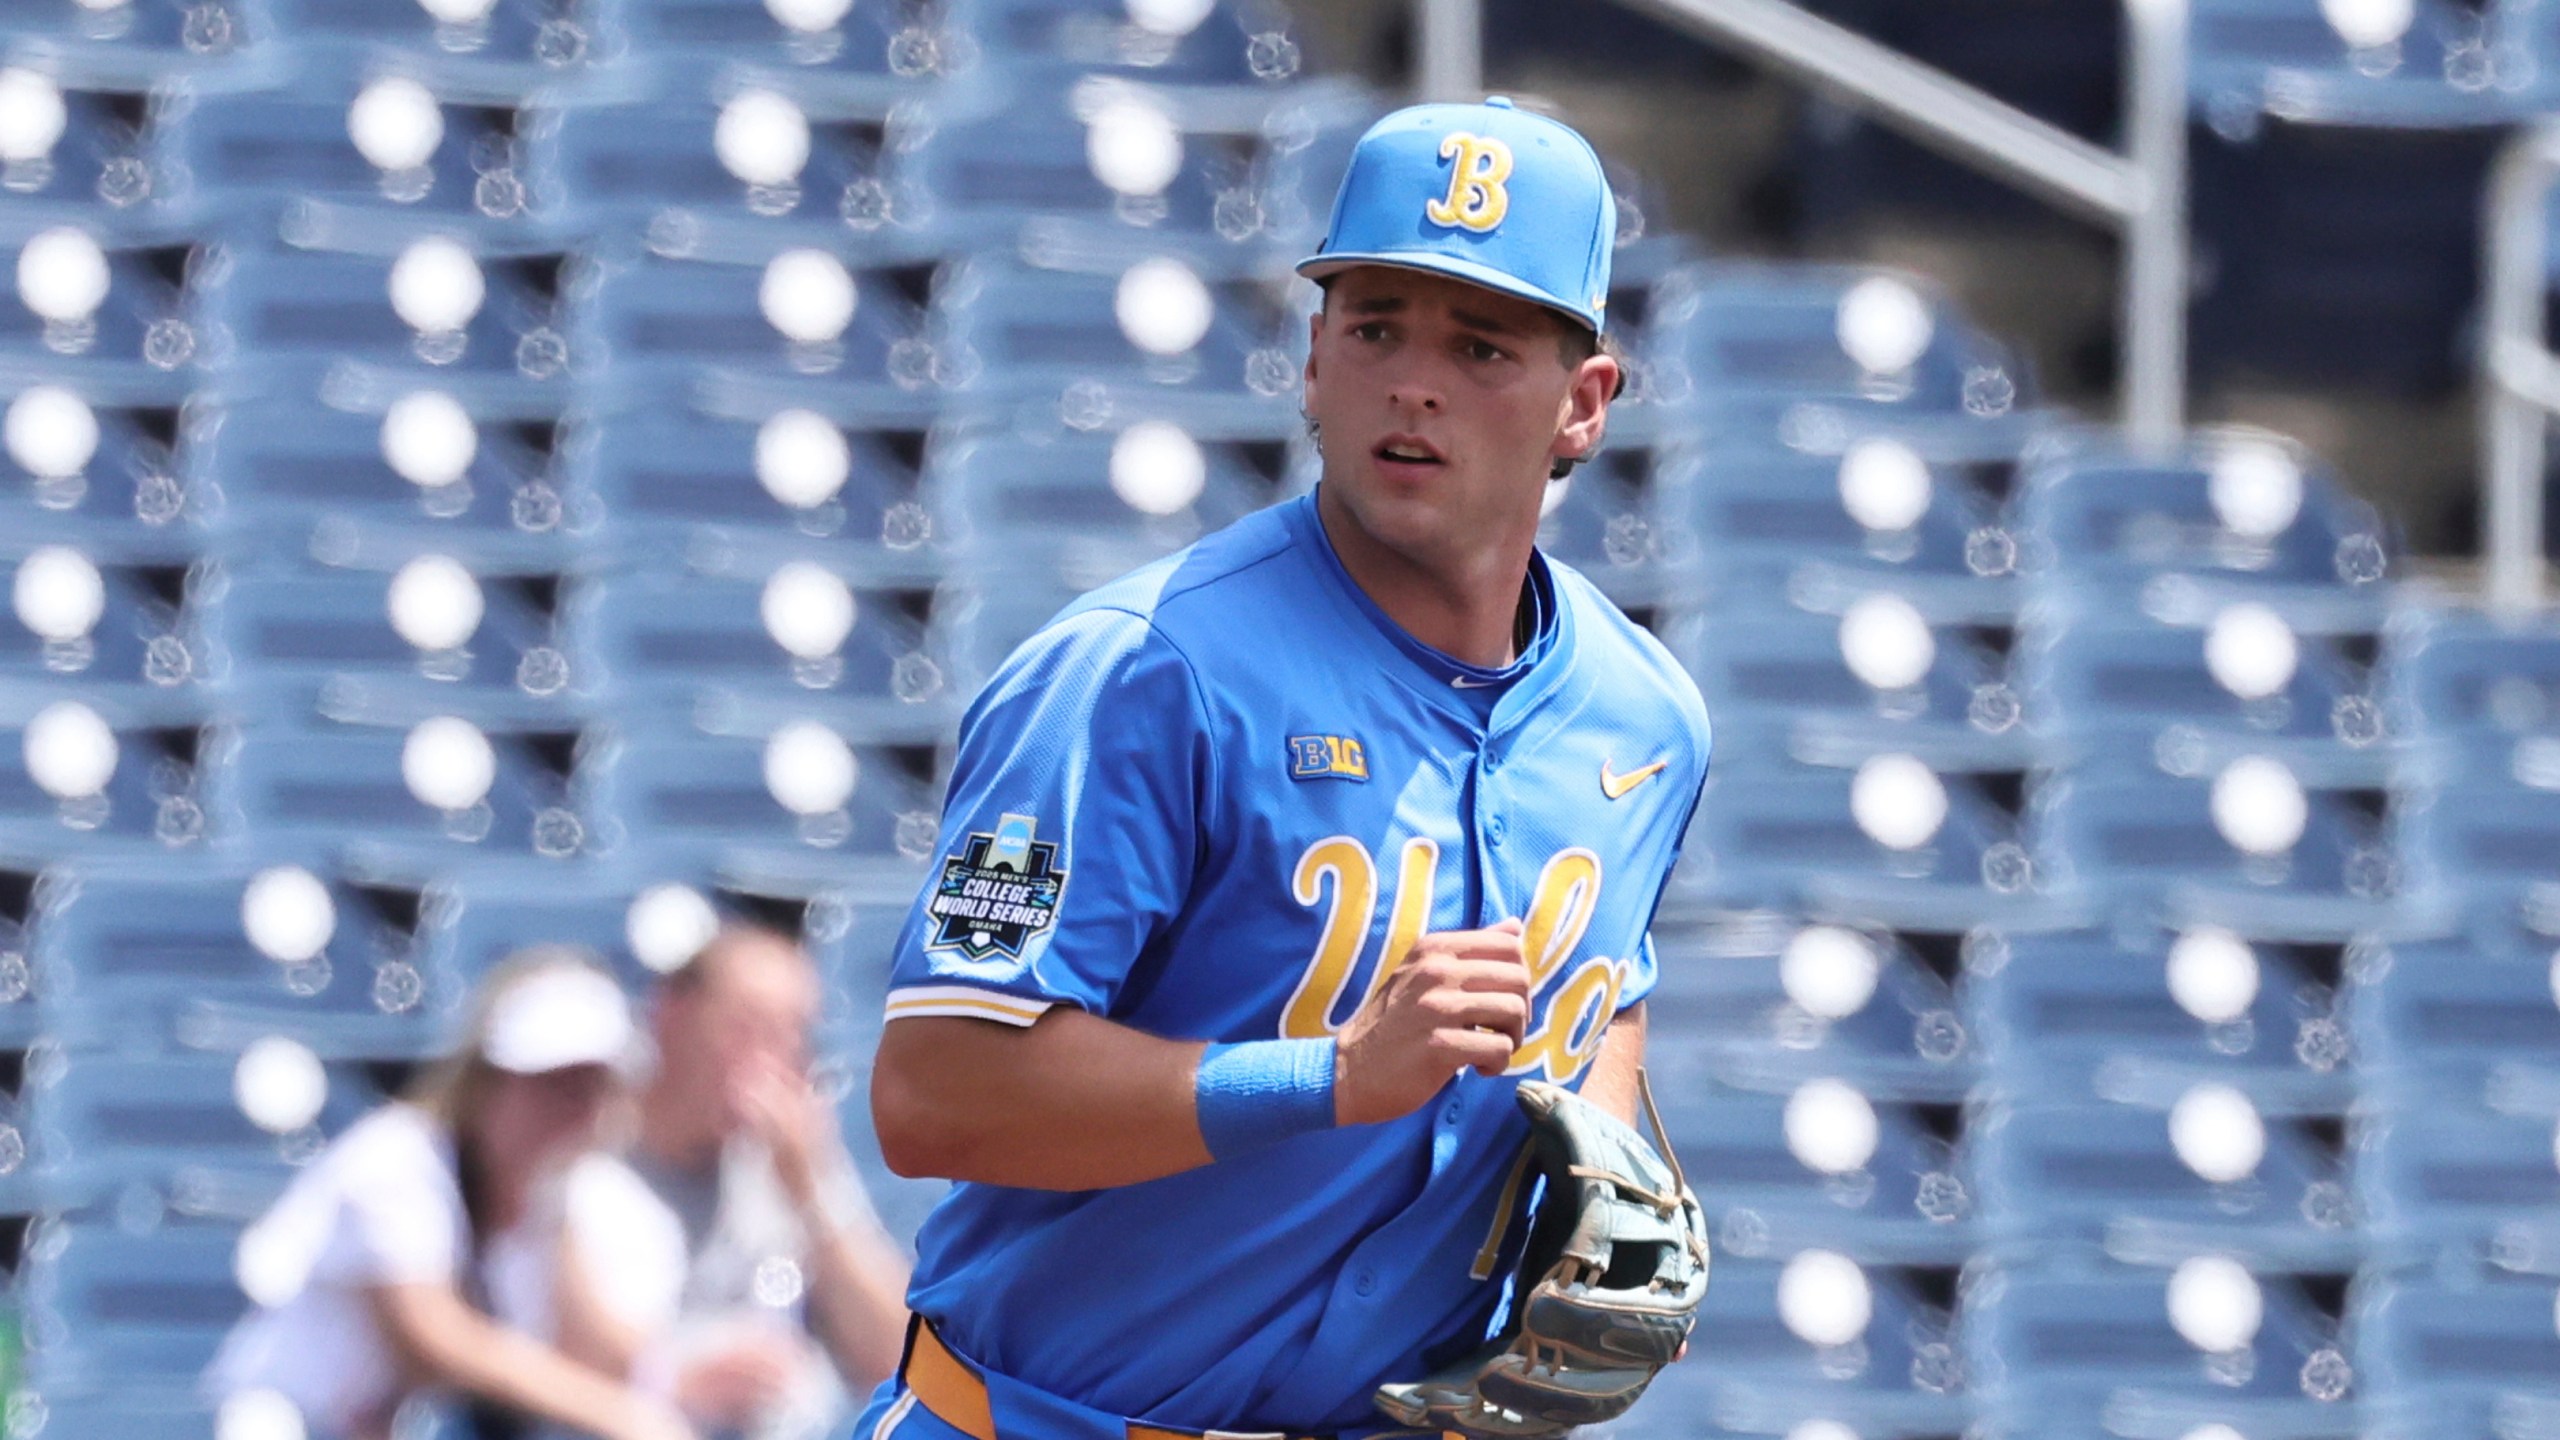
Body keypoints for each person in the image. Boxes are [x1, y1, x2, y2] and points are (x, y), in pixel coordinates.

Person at [860, 96, 1711, 1440]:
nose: (1413, 383)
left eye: (1480, 344)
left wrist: (1611, 1158)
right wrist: (1326, 1077)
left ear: (1584, 405)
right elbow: (936, 1093)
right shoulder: (1136, 674)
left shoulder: (1644, 722)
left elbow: (1608, 986)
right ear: (1315, 360)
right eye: (1376, 327)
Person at [205, 948, 696, 1440]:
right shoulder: (393, 1160)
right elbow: (433, 1339)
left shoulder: (579, 1200)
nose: (571, 1109)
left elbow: (599, 1357)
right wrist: (616, 1413)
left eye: (592, 1087)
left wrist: (557, 1221)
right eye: (548, 1083)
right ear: (483, 1082)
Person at [607, 924, 912, 1439]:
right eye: (746, 1028)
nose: (771, 1060)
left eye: (792, 1036)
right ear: (672, 1015)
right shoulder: (593, 1148)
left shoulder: (794, 1162)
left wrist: (810, 1193)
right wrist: (675, 1377)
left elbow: (897, 1361)